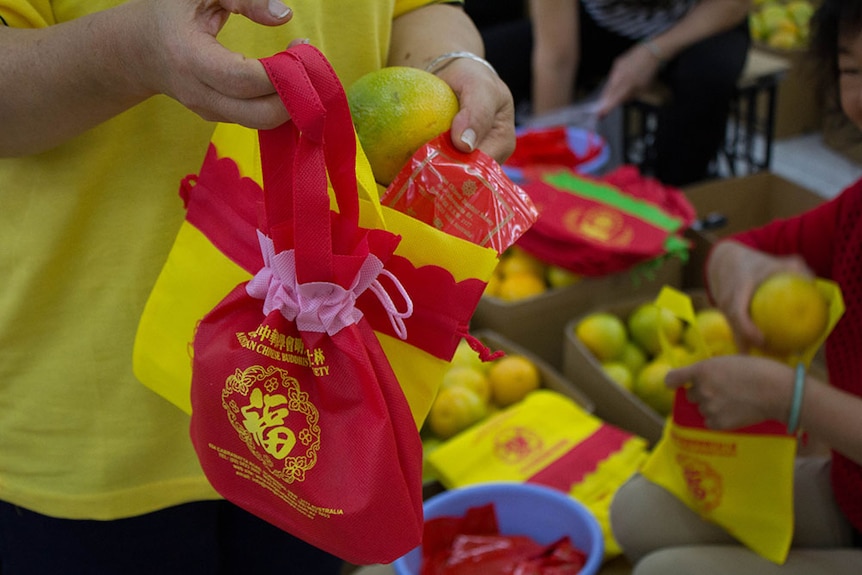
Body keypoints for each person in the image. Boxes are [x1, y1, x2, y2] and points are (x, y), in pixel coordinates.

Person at [0, 1, 515, 573]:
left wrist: (453, 65)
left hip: (321, 395)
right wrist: (131, 53)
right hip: (84, 411)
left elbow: (418, 8)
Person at [609, 1, 862, 572]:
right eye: (852, 70)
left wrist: (790, 398)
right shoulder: (856, 211)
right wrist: (736, 269)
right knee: (637, 512)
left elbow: (794, 399)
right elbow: (736, 248)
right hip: (852, 493)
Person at [476, 0, 751, 186]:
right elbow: (556, 58)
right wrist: (552, 154)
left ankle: (672, 200)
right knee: (486, 61)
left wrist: (653, 53)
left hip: (698, 23)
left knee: (707, 79)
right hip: (603, 26)